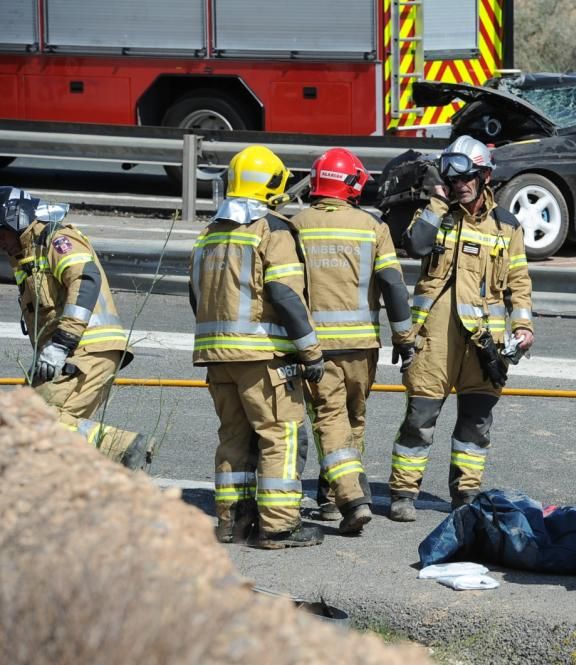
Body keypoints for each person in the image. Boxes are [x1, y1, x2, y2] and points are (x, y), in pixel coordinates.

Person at [386, 135, 534, 522]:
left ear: (485, 177)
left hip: (483, 342)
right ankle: (403, 492)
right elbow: (416, 246)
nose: (460, 185)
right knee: (420, 419)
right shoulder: (436, 215)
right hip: (434, 338)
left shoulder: (506, 226)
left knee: (476, 422)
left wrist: (523, 327)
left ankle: (465, 493)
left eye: (469, 178)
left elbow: (519, 283)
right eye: (453, 179)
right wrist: (436, 201)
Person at [190, 145, 325, 549]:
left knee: (233, 436)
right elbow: (284, 295)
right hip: (263, 357)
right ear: (271, 184)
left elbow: (196, 295)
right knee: (279, 434)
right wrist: (310, 349)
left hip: (217, 359)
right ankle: (279, 526)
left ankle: (232, 522)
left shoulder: (208, 233)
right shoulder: (272, 229)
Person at [288, 147, 413, 534]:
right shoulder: (372, 227)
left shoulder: (294, 225)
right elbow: (393, 284)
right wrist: (404, 337)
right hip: (361, 346)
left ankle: (342, 500)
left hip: (314, 345)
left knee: (328, 419)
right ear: (353, 184)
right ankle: (339, 496)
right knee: (352, 421)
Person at [0, 186, 150, 470]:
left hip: (84, 350)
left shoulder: (56, 239)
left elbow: (86, 279)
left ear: (13, 218)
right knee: (17, 425)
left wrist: (61, 343)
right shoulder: (26, 252)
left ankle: (120, 447)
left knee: (28, 422)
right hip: (65, 352)